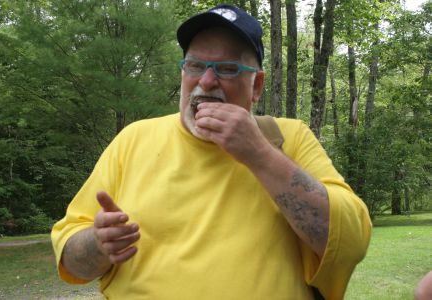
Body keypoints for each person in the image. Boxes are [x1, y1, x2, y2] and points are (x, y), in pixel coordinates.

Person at [51, 4, 372, 300]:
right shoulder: (133, 140)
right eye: (195, 65)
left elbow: (350, 244)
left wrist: (258, 153)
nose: (206, 80)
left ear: (257, 86)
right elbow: (70, 258)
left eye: (227, 68)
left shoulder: (288, 137)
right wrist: (99, 243)